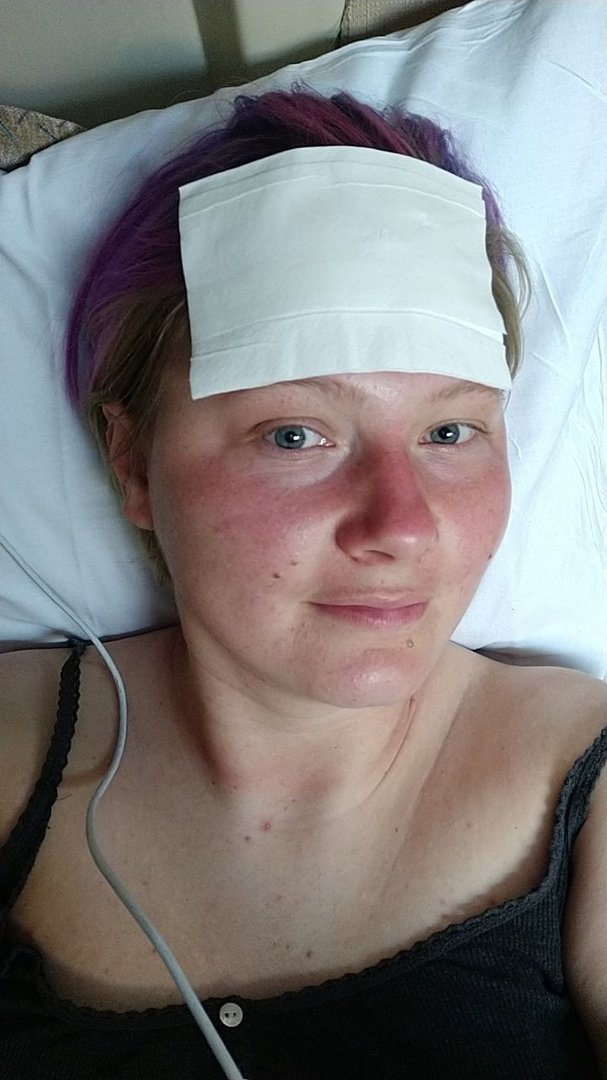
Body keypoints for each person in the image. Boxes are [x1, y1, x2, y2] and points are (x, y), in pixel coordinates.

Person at [1, 85, 606, 1080]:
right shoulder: (14, 749)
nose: (401, 525)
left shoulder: (582, 783)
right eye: (294, 435)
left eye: (448, 430)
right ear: (132, 461)